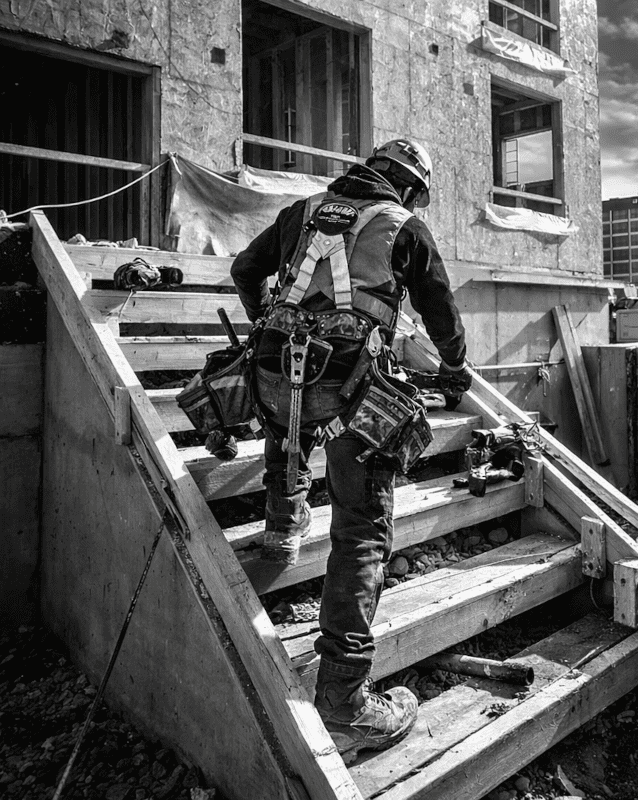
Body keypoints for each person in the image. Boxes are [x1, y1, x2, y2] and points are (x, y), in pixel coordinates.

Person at [230, 138, 471, 763]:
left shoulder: (300, 210)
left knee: (288, 430)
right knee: (362, 530)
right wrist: (454, 367)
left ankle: (283, 529)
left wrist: (269, 323)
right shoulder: (404, 226)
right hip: (349, 388)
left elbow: (243, 271)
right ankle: (344, 703)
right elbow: (440, 313)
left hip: (277, 373)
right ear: (410, 188)